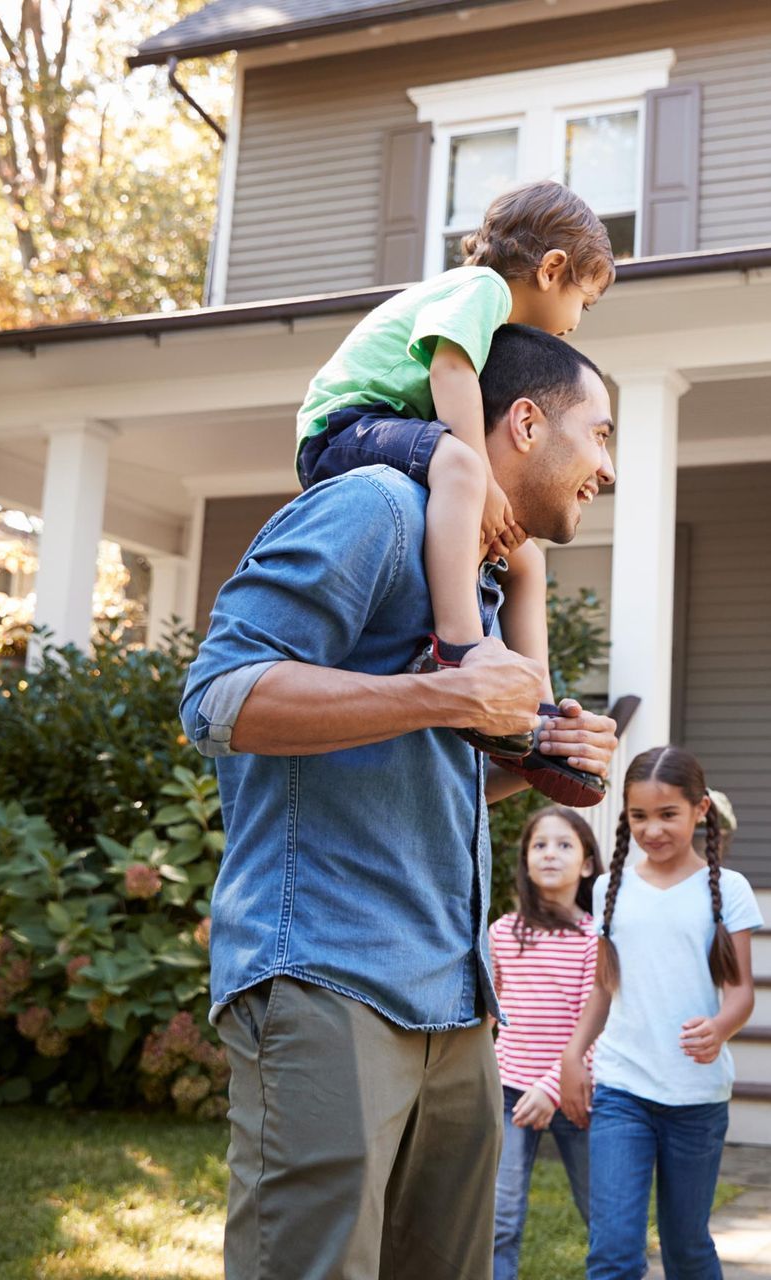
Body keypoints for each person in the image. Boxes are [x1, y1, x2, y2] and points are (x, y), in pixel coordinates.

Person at [180, 324, 619, 1280]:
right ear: (529, 422)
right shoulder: (374, 507)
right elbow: (217, 698)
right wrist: (447, 694)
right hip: (330, 978)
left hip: (458, 1005)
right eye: (601, 435)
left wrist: (542, 758)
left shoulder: (479, 575)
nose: (608, 468)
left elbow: (433, 765)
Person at [294, 178, 615, 804]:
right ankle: (461, 648)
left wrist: (534, 735)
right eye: (586, 301)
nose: (577, 322)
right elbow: (449, 369)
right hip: (345, 423)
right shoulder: (480, 289)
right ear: (552, 269)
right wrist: (482, 475)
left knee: (526, 558)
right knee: (461, 467)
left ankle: (540, 715)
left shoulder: (486, 312)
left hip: (384, 428)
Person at [559, 747, 762, 1280]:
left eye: (667, 814)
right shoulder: (609, 888)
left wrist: (719, 1028)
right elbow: (605, 989)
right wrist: (573, 1056)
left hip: (696, 1099)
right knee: (613, 1252)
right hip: (623, 1089)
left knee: (687, 1248)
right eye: (639, 816)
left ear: (700, 811)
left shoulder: (729, 890)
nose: (653, 829)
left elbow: (741, 994)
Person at [490, 806, 601, 1280]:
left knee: (604, 1213)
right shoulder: (501, 933)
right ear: (526, 860)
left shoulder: (596, 938)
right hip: (509, 1093)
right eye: (539, 845)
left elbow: (595, 1027)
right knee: (499, 1218)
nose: (550, 854)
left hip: (577, 1094)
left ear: (588, 863)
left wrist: (552, 1088)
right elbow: (487, 1018)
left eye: (564, 845)